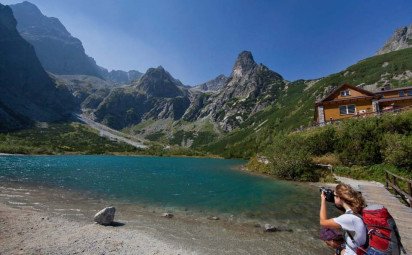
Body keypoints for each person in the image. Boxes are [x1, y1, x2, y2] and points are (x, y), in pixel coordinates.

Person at [320, 184, 367, 255]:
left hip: (353, 252)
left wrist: (323, 200)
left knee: (329, 239)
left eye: (334, 196)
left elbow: (323, 222)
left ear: (340, 198)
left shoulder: (348, 218)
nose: (333, 197)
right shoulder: (357, 211)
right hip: (356, 249)